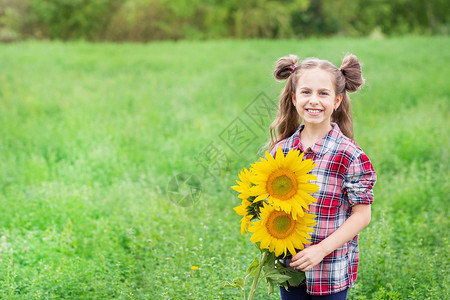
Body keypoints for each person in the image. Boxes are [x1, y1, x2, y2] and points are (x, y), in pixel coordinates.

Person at [269, 54, 377, 299]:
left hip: (331, 271)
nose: (314, 101)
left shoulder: (349, 155)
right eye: (306, 92)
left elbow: (362, 215)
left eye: (323, 93)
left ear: (337, 101)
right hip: (290, 267)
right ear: (294, 98)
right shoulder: (281, 151)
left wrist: (320, 250)